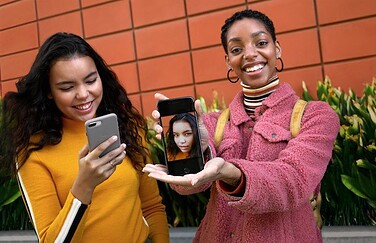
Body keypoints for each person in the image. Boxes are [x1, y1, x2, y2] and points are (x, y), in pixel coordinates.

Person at [143, 9, 340, 242]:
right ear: (228, 60)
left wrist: (231, 173)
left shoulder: (316, 116)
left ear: (277, 48)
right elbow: (189, 185)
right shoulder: (212, 124)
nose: (249, 54)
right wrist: (192, 150)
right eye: (236, 49)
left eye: (261, 42)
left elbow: (292, 179)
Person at [0, 32, 169, 242]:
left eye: (90, 81)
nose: (83, 94)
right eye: (67, 87)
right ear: (49, 91)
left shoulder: (127, 126)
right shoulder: (33, 152)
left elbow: (152, 207)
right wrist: (85, 185)